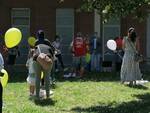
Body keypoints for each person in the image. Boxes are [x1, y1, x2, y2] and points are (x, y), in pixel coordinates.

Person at [33, 30, 54, 99]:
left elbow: (34, 51)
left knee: (37, 78)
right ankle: (48, 96)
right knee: (47, 78)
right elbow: (53, 51)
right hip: (47, 58)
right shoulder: (47, 42)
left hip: (37, 59)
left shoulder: (36, 42)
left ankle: (37, 96)